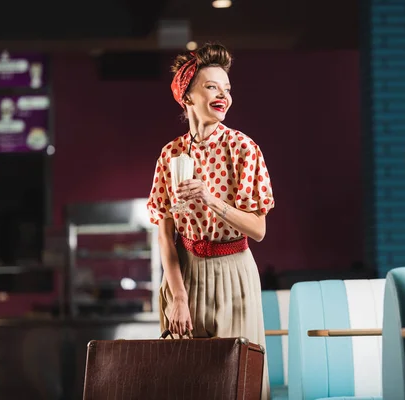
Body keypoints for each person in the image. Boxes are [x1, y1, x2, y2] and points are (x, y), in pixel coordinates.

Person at [146, 43, 274, 399]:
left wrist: (210, 199)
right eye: (212, 87)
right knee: (184, 381)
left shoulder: (243, 148)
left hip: (234, 272)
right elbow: (164, 235)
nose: (223, 95)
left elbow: (259, 229)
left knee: (237, 383)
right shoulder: (170, 153)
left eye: (227, 88)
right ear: (186, 96)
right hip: (184, 272)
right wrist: (178, 296)